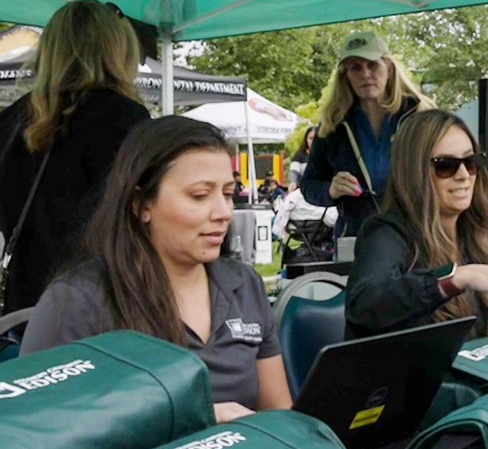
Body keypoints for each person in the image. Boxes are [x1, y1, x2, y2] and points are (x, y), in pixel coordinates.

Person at [22, 117, 292, 423]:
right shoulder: (79, 301)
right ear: (141, 204)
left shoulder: (244, 284)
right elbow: (37, 427)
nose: (224, 212)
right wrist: (190, 419)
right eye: (200, 196)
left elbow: (279, 414)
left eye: (228, 194)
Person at [345, 109, 488, 345]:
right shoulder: (386, 234)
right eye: (445, 165)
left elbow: (458, 339)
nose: (463, 175)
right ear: (414, 173)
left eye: (471, 162)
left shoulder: (476, 240)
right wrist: (454, 277)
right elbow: (365, 308)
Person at [0, 0, 150, 315]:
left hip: (26, 300)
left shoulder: (13, 119)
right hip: (101, 297)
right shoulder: (124, 117)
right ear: (116, 47)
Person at [300, 31, 435, 238]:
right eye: (356, 68)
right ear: (345, 75)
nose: (365, 74)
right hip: (357, 236)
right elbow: (309, 185)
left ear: (388, 68)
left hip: (416, 233)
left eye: (372, 65)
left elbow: (445, 172)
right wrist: (331, 190)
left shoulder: (420, 116)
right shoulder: (333, 126)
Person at [287, 126, 317, 191]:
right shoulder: (300, 155)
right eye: (310, 138)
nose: (313, 141)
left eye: (315, 138)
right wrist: (293, 182)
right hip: (302, 190)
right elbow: (294, 171)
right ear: (306, 139)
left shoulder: (326, 154)